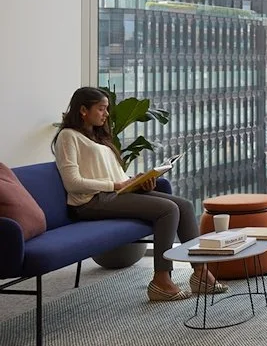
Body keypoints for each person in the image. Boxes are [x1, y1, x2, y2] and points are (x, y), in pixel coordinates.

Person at [52, 87, 226, 301]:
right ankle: (161, 281)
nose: (106, 114)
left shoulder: (98, 137)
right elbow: (72, 183)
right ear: (83, 110)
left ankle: (201, 273)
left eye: (106, 109)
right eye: (101, 109)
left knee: (184, 205)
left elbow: (113, 174)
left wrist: (136, 181)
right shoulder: (68, 137)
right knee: (168, 210)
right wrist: (116, 185)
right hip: (89, 202)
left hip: (113, 194)